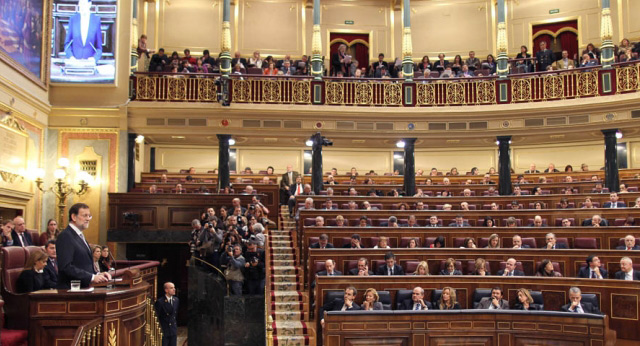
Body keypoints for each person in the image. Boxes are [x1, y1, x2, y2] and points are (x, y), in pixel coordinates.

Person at [57, 203, 110, 288]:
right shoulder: (66, 236)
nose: (88, 219)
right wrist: (92, 277)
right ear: (74, 217)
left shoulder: (79, 235)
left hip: (83, 288)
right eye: (85, 216)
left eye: (89, 216)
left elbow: (83, 264)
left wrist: (98, 274)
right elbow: (66, 267)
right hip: (71, 291)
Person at [155, 282, 179, 346]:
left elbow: (174, 315)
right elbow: (157, 317)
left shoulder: (176, 300)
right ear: (166, 290)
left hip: (173, 330)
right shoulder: (160, 302)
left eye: (174, 287)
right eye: (171, 288)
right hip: (164, 331)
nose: (174, 289)